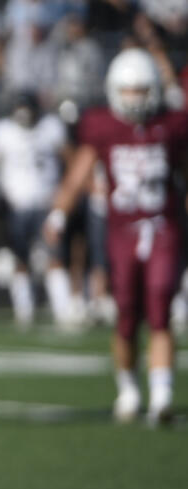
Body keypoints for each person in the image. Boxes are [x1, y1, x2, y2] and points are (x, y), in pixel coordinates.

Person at [43, 47, 188, 425]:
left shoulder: (172, 124)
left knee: (160, 306)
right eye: (128, 91)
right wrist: (59, 213)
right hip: (121, 229)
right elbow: (78, 173)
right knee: (126, 314)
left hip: (162, 226)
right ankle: (128, 388)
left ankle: (161, 395)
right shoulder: (102, 125)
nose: (134, 99)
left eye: (141, 91)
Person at [0, 90, 73, 328]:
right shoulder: (2, 132)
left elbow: (69, 160)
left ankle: (63, 311)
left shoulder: (51, 127)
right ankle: (25, 311)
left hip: (47, 203)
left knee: (54, 256)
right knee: (20, 258)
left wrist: (63, 194)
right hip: (16, 206)